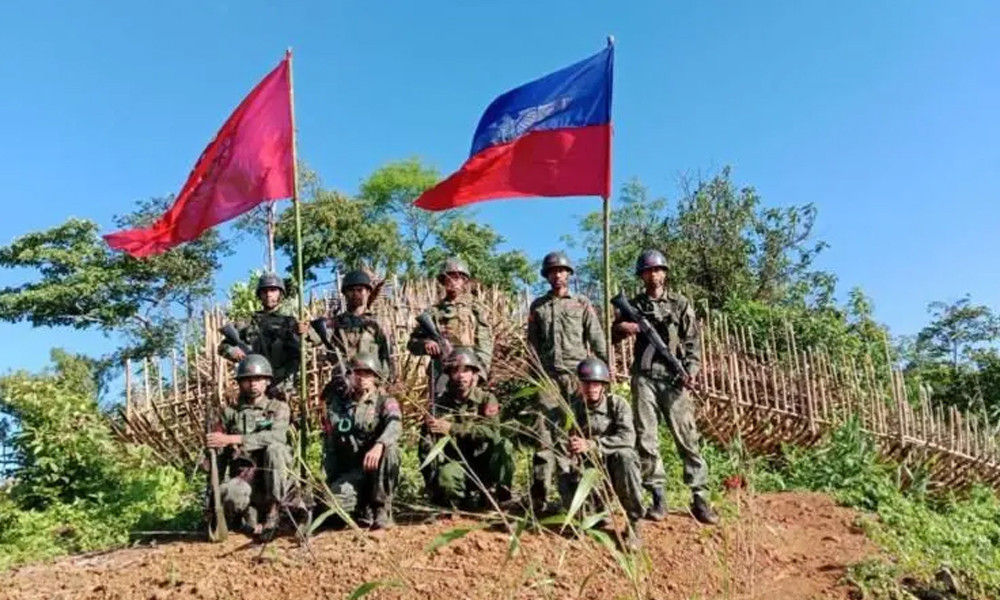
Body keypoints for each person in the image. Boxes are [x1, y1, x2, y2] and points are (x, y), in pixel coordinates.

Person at [612, 249, 718, 525]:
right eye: (648, 271)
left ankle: (700, 498)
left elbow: (693, 341)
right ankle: (658, 497)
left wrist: (690, 371)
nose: (654, 275)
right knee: (647, 438)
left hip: (673, 377)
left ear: (665, 273)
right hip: (644, 377)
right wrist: (627, 328)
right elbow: (613, 334)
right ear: (642, 276)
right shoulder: (634, 304)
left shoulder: (680, 304)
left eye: (658, 270)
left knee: (687, 438)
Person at [527, 250, 608, 512]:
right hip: (548, 378)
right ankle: (538, 498)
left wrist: (605, 371)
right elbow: (532, 345)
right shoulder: (538, 306)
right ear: (547, 276)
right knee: (543, 437)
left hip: (578, 379)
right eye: (553, 271)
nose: (558, 275)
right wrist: (534, 377)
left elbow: (596, 339)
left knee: (577, 435)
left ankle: (577, 498)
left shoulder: (581, 303)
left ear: (569, 275)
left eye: (562, 270)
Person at [557, 357, 643, 550]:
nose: (591, 388)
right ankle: (586, 513)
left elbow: (627, 438)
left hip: (615, 466)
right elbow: (564, 437)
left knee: (626, 457)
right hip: (590, 467)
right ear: (580, 385)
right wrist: (571, 448)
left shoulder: (618, 405)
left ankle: (634, 522)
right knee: (563, 467)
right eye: (587, 383)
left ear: (603, 385)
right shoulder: (574, 408)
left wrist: (592, 444)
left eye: (596, 383)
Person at [206, 354, 295, 537]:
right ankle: (241, 521)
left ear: (267, 382)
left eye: (258, 379)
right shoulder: (230, 414)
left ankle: (273, 513)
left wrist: (235, 439)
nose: (253, 383)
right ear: (240, 383)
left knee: (275, 449)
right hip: (246, 479)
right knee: (230, 493)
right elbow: (219, 454)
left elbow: (278, 436)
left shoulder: (278, 407)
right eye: (247, 380)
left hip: (275, 480)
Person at [419, 348, 513, 510]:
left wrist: (453, 428)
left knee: (504, 445)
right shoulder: (440, 404)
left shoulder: (486, 399)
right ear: (448, 374)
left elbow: (491, 432)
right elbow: (426, 445)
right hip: (458, 462)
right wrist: (431, 427)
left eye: (466, 370)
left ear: (474, 374)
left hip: (484, 462)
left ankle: (499, 493)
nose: (461, 375)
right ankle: (453, 499)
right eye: (456, 370)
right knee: (447, 476)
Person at [322, 353, 401, 530]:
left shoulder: (385, 401)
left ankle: (381, 508)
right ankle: (361, 507)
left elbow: (395, 425)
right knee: (331, 504)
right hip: (352, 471)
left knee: (391, 450)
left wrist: (380, 445)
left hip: (376, 470)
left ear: (375, 377)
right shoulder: (338, 404)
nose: (362, 378)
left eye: (367, 374)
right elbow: (330, 443)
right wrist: (329, 477)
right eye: (357, 373)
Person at [407, 257, 493, 395]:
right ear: (443, 281)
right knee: (440, 409)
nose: (453, 281)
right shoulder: (433, 312)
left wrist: (480, 372)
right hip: (441, 369)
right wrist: (426, 344)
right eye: (449, 278)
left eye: (457, 277)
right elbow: (412, 344)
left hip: (468, 368)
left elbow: (485, 344)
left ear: (464, 281)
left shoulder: (475, 309)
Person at [308, 268, 395, 396]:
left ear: (368, 292)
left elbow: (387, 356)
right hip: (343, 384)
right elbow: (315, 336)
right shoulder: (335, 322)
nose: (355, 294)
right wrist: (305, 331)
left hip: (370, 384)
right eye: (351, 290)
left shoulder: (377, 324)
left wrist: (386, 382)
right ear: (345, 294)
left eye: (360, 290)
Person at [218, 273, 301, 399]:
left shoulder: (289, 322)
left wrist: (301, 334)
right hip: (254, 383)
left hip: (282, 384)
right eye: (265, 291)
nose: (268, 294)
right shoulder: (249, 322)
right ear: (259, 295)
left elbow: (303, 349)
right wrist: (232, 351)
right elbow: (222, 347)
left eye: (273, 290)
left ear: (280, 294)